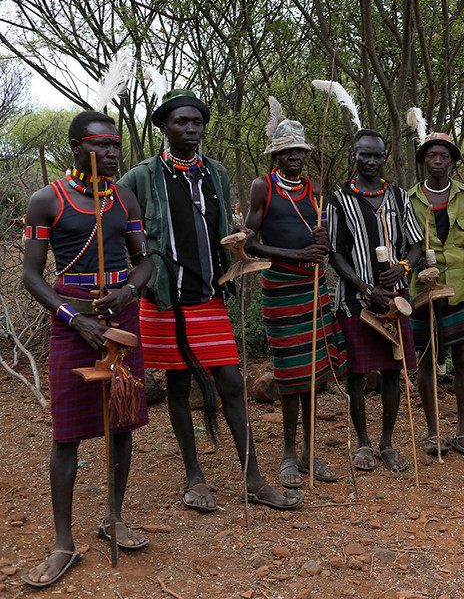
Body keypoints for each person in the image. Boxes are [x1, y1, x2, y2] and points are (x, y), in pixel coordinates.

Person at [118, 90, 302, 511]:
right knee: (179, 386)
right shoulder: (141, 177)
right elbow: (117, 222)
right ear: (165, 128)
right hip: (165, 301)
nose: (191, 129)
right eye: (181, 122)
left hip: (209, 296)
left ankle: (253, 480)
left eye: (197, 122)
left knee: (232, 384)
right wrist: (134, 268)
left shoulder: (215, 172)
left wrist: (240, 245)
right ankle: (194, 477)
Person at [22, 111, 151, 586]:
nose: (112, 152)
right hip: (72, 324)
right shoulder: (47, 201)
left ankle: (113, 517)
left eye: (115, 144)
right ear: (76, 147)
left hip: (121, 321)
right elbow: (32, 275)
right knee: (67, 433)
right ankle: (63, 543)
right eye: (101, 145)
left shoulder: (124, 198)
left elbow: (145, 261)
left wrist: (129, 291)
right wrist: (75, 320)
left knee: (122, 418)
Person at [243, 119, 345, 488]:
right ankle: (288, 454)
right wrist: (296, 254)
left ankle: (308, 453)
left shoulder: (313, 190)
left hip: (312, 285)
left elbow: (323, 241)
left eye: (299, 151)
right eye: (287, 152)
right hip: (280, 287)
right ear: (276, 156)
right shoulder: (263, 187)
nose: (294, 157)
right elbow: (249, 242)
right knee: (289, 374)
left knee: (313, 373)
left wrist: (321, 242)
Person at [328, 129, 423, 472]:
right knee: (358, 371)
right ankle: (363, 443)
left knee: (392, 370)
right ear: (353, 156)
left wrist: (403, 267)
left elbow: (416, 243)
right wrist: (366, 288)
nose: (371, 161)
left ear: (384, 158)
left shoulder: (398, 196)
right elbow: (335, 254)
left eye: (377, 156)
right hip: (356, 300)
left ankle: (387, 442)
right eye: (364, 155)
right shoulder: (339, 200)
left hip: (395, 299)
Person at [407, 132, 464, 457]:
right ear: (423, 160)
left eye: (444, 156)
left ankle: (462, 432)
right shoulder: (408, 199)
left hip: (461, 290)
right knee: (425, 360)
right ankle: (432, 432)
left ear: (452, 161)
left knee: (463, 359)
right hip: (423, 291)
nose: (437, 161)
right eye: (431, 155)